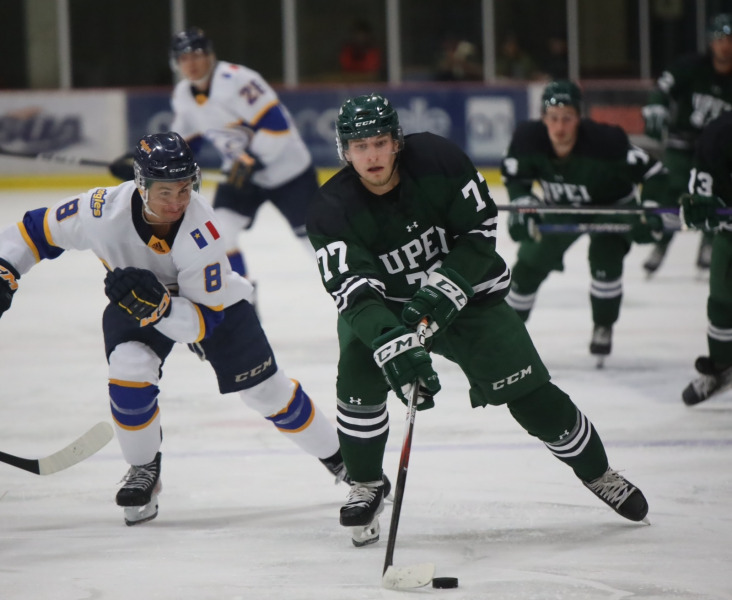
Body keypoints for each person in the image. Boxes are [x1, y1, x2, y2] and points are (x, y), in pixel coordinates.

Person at [307, 93, 649, 547]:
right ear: (343, 151)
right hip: (386, 308)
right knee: (358, 376)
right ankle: (367, 482)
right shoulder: (331, 208)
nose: (371, 156)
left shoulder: (439, 160)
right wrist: (392, 341)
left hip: (468, 294)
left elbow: (479, 233)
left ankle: (598, 472)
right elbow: (354, 294)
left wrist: (448, 285)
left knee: (531, 394)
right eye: (359, 146)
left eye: (379, 142)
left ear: (397, 142)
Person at [0, 132, 350, 526]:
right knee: (128, 370)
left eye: (185, 189)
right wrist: (5, 271)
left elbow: (205, 321)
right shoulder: (100, 210)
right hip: (135, 301)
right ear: (140, 184)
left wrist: (163, 308)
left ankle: (343, 459)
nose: (178, 202)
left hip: (210, 305)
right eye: (165, 191)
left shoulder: (203, 232)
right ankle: (144, 470)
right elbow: (33, 231)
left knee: (268, 391)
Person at [111, 27, 318, 282]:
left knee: (312, 238)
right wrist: (142, 168)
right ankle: (242, 300)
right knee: (219, 232)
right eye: (184, 58)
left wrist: (255, 160)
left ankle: (350, 284)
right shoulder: (184, 96)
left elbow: (277, 127)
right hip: (240, 174)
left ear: (210, 55)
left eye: (197, 54)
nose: (192, 63)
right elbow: (183, 148)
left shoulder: (238, 80)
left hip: (288, 171)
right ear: (176, 64)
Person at [501, 80, 674, 367]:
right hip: (561, 208)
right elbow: (516, 179)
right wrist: (522, 205)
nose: (559, 127)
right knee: (530, 261)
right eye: (553, 119)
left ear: (579, 118)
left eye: (567, 118)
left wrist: (651, 209)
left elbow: (656, 172)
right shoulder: (527, 138)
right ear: (543, 119)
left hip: (612, 207)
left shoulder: (607, 142)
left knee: (605, 262)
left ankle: (603, 323)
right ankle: (507, 332)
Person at [640, 13, 732, 276]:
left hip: (720, 153)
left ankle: (710, 243)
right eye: (719, 39)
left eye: (729, 39)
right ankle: (662, 243)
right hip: (683, 144)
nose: (724, 45)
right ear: (710, 42)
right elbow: (662, 87)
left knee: (720, 194)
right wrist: (656, 106)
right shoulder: (691, 66)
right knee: (672, 193)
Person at [680, 111, 732, 405]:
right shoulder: (719, 133)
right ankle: (723, 365)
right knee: (722, 303)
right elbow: (702, 191)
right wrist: (701, 205)